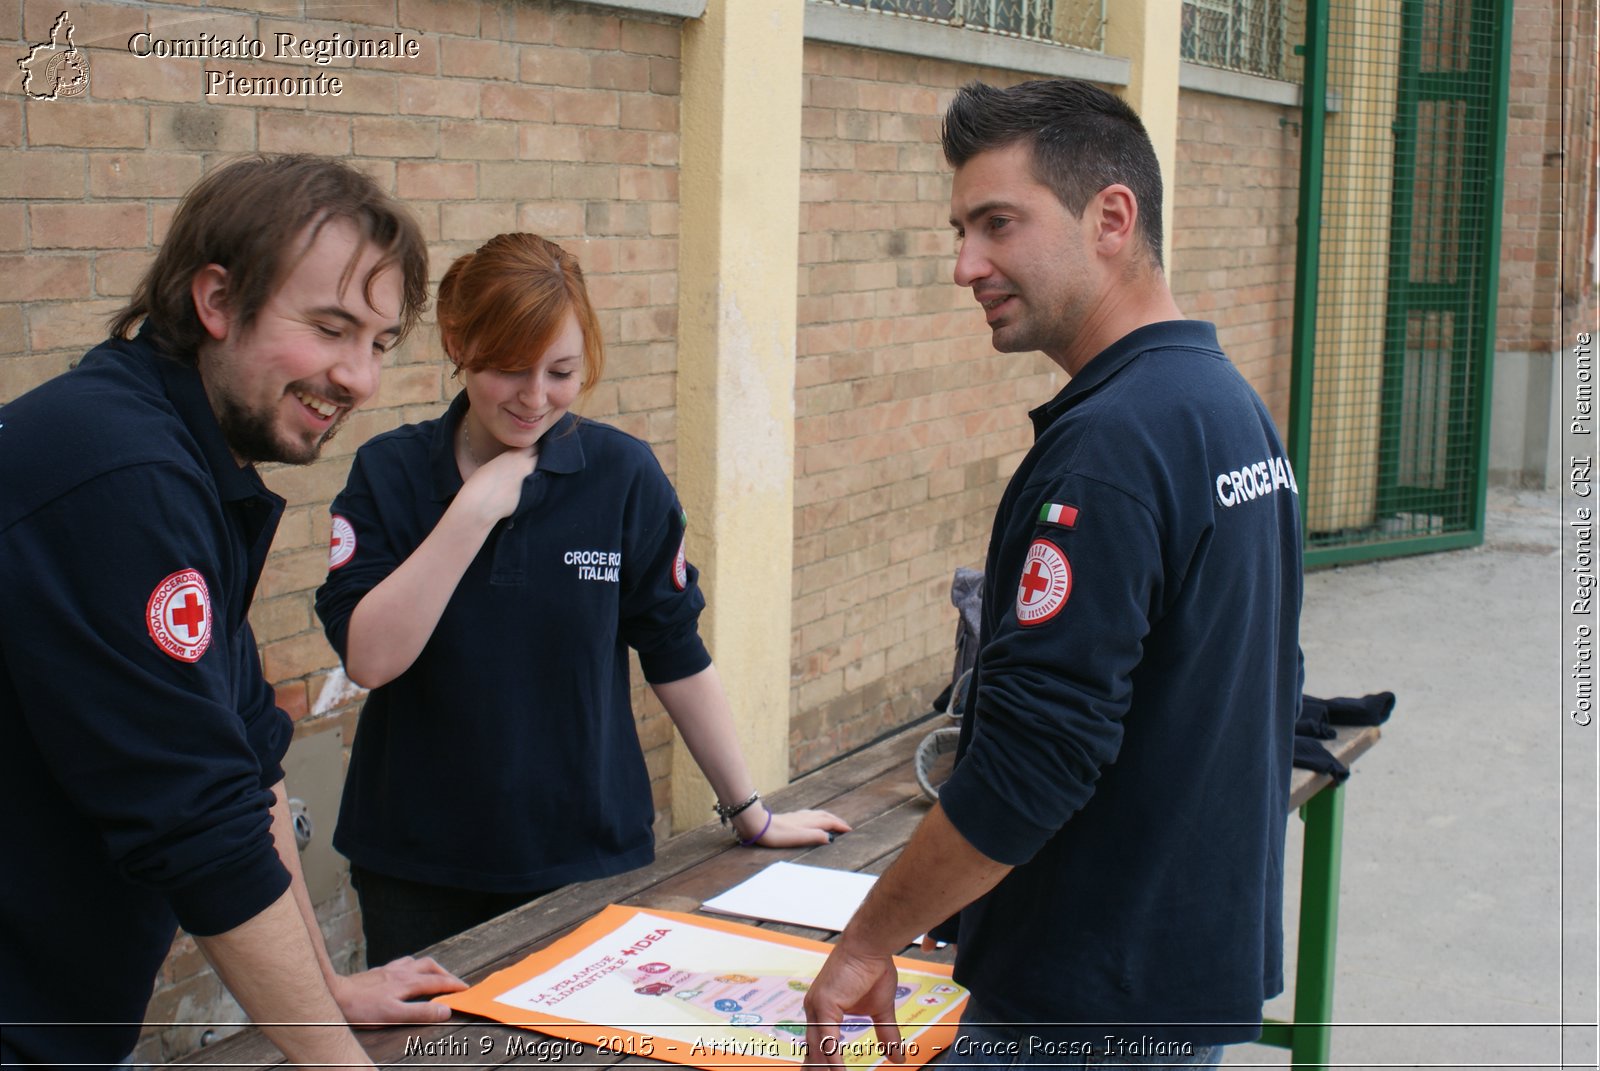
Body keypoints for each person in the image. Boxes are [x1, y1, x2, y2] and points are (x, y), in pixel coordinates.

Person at [803, 79, 1303, 1070]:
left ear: (1110, 218)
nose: (964, 266)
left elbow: (1038, 759)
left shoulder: (1111, 446)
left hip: (1082, 1005)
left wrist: (864, 943)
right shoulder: (1225, 405)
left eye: (997, 224)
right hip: (1171, 984)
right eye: (959, 229)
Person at [0, 155, 467, 1069]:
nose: (361, 378)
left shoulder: (181, 461)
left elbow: (247, 761)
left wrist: (326, 989)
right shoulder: (119, 473)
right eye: (331, 328)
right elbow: (197, 823)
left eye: (378, 342)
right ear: (217, 300)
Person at [314, 232, 849, 965]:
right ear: (457, 342)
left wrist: (749, 811)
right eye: (508, 369)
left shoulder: (622, 477)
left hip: (588, 856)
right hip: (418, 865)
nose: (535, 398)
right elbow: (370, 657)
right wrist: (472, 511)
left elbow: (675, 650)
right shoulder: (390, 474)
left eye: (561, 371)